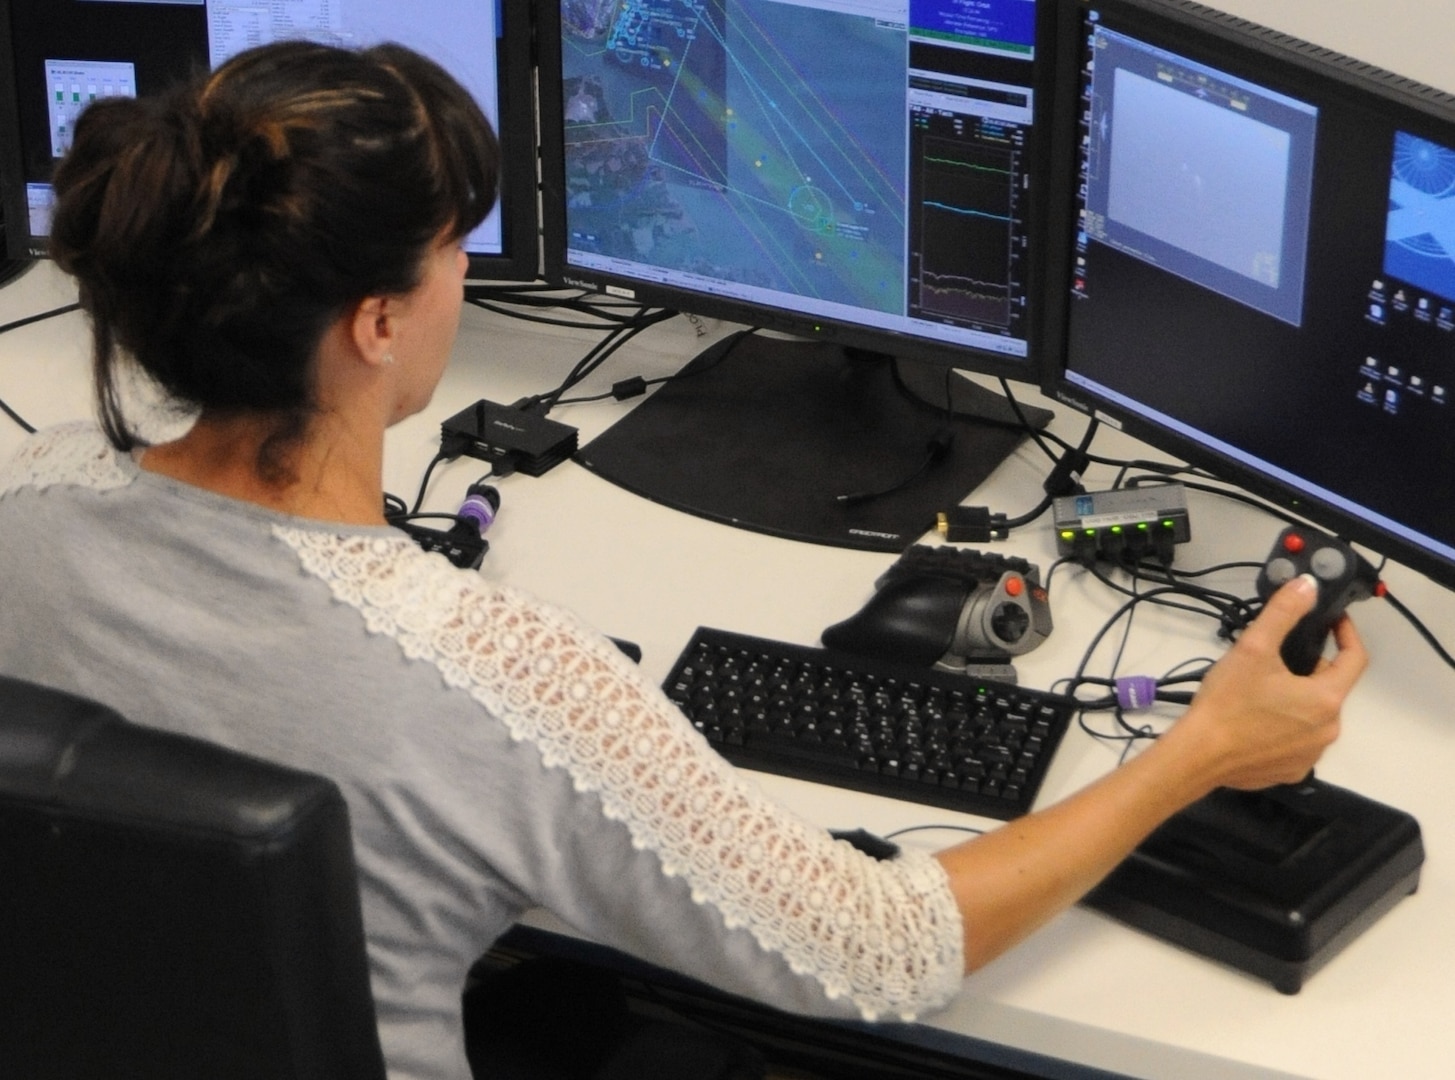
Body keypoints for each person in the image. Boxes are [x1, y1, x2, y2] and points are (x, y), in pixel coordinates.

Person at [0, 39, 1365, 1080]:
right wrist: (1199, 754)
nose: (463, 280)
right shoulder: (485, 676)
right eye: (448, 250)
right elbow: (879, 950)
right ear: (373, 325)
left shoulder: (30, 511)